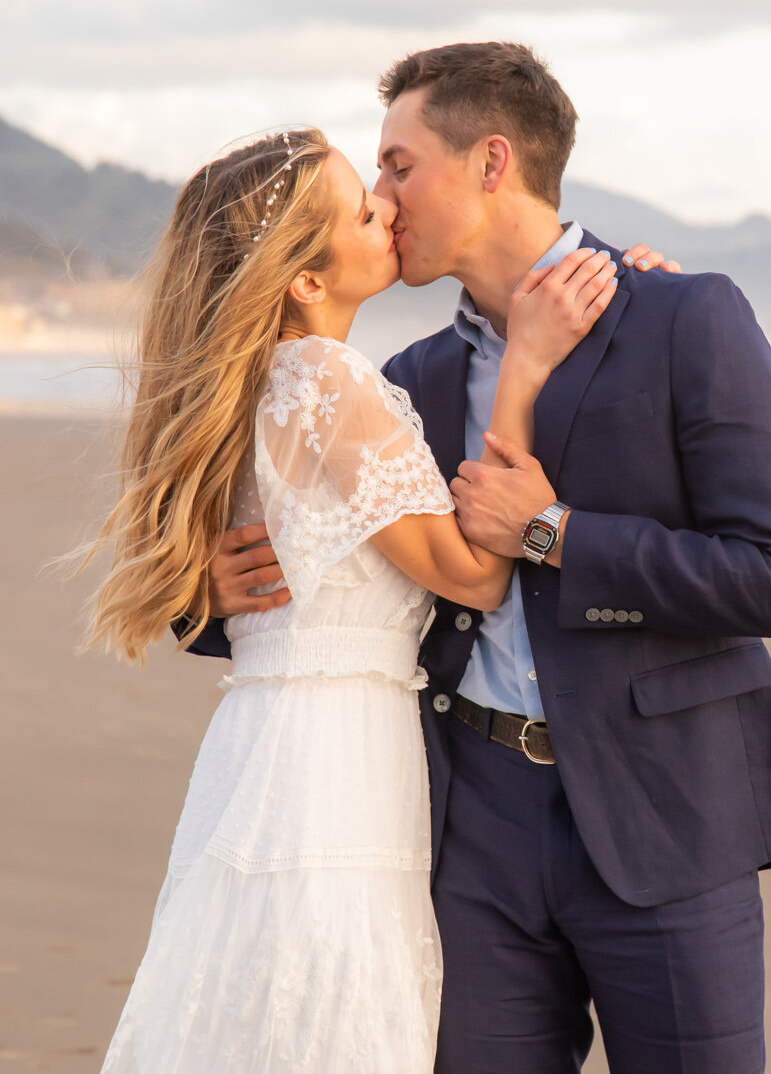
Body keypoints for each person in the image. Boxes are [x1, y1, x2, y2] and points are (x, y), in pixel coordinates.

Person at [186, 42, 771, 1073]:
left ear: (490, 162)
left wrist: (557, 534)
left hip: (662, 814)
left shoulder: (682, 319)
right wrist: (210, 603)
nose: (383, 196)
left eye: (396, 165)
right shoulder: (405, 382)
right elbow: (324, 555)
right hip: (467, 826)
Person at [79, 125, 621, 1071]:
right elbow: (476, 572)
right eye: (363, 210)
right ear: (305, 280)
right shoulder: (327, 381)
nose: (387, 209)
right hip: (331, 765)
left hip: (269, 742)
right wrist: (524, 367)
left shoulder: (262, 383)